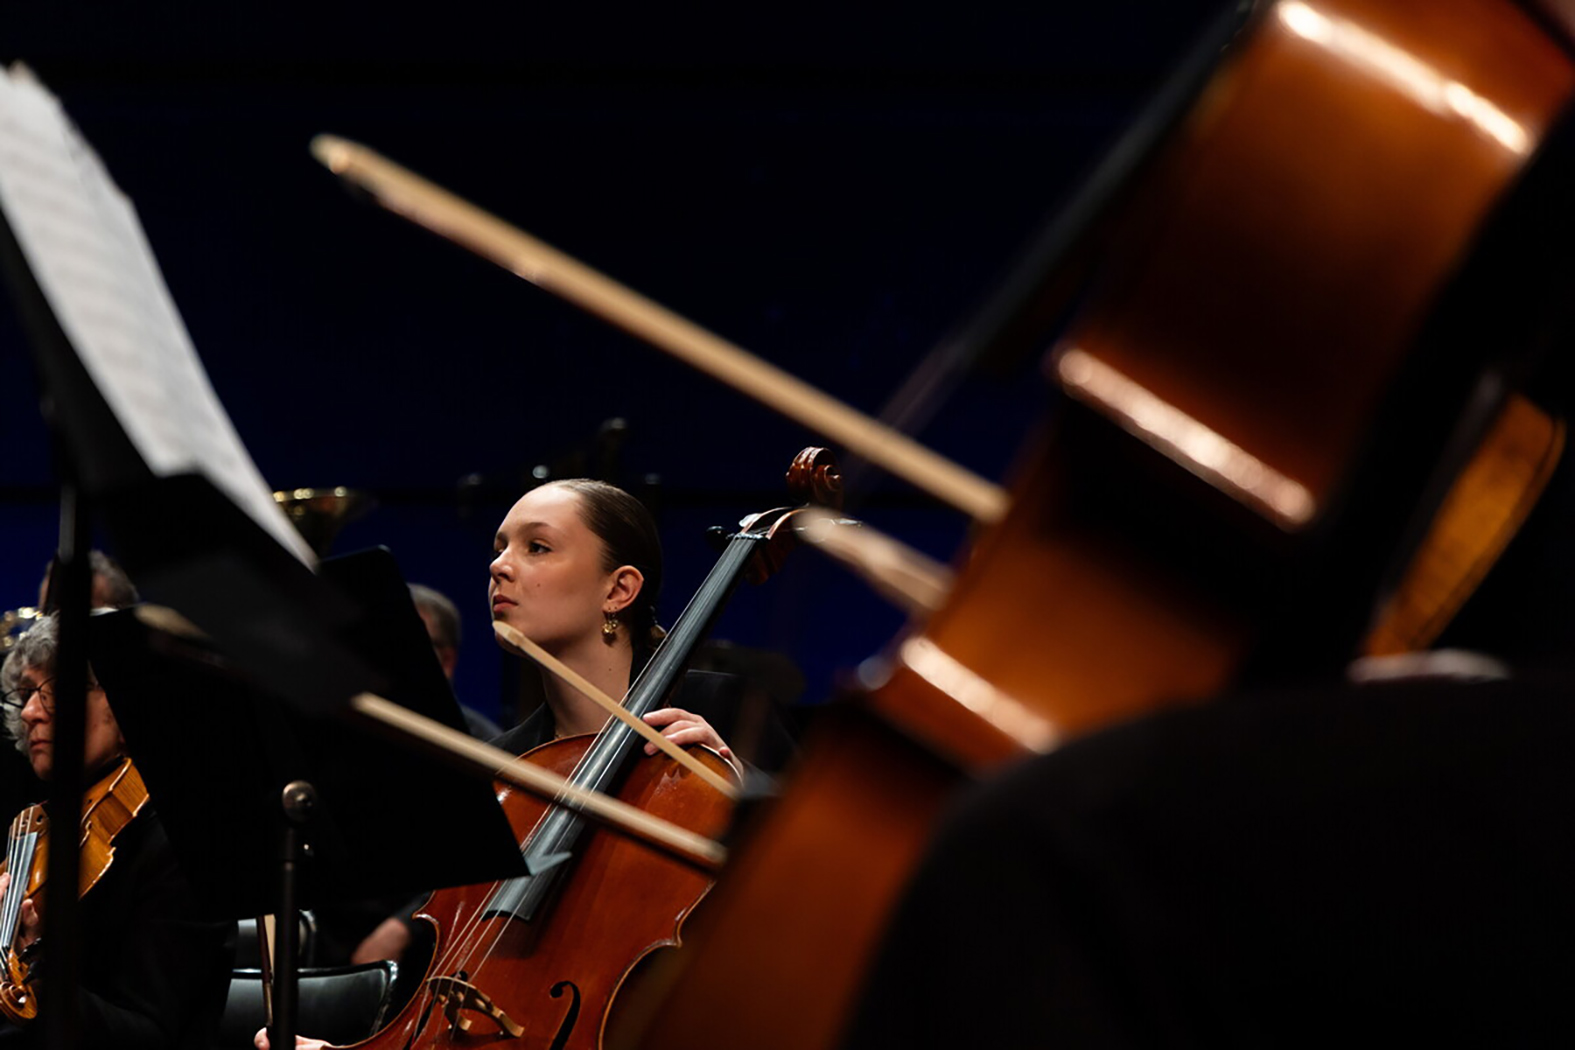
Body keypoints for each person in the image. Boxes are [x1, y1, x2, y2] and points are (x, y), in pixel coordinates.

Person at [303, 479, 747, 1033]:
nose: (499, 567)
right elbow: (440, 981)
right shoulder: (496, 773)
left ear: (619, 590)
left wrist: (746, 798)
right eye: (499, 548)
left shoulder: (725, 717)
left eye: (536, 547)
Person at [0, 614, 234, 1049]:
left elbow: (149, 1036)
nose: (31, 713)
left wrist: (31, 967)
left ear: (127, 701)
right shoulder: (40, 828)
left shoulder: (181, 845)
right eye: (28, 694)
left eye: (56, 692)